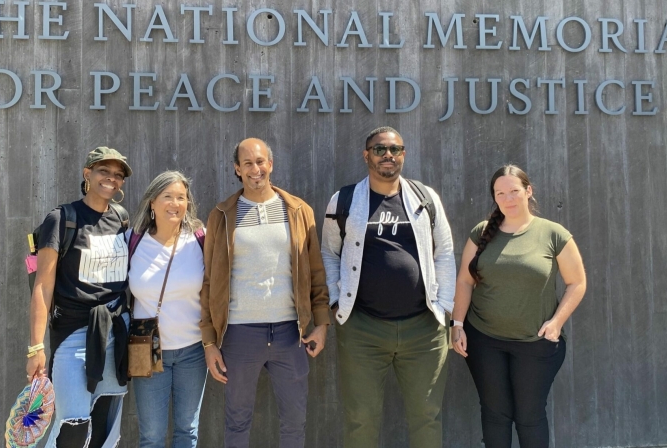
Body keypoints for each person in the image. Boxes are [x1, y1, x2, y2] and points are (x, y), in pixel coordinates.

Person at [321, 126, 457, 448]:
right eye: (379, 149)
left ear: (403, 155)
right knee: (361, 419)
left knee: (427, 415)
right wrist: (337, 301)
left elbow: (446, 251)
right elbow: (329, 251)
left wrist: (445, 308)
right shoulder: (345, 199)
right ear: (366, 155)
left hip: (423, 330)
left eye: (395, 150)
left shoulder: (425, 198)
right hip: (362, 329)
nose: (388, 156)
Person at [199, 137, 331, 448]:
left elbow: (315, 272)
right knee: (237, 421)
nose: (255, 169)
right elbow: (209, 282)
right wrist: (209, 341)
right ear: (237, 169)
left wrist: (322, 324)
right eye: (247, 163)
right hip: (239, 334)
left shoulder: (298, 211)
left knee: (294, 422)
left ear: (270, 164)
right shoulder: (221, 215)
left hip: (290, 333)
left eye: (260, 162)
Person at [450, 164, 587, 448]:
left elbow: (577, 282)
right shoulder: (481, 232)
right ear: (494, 197)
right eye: (500, 193)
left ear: (528, 191)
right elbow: (464, 281)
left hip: (535, 343)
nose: (508, 199)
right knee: (495, 414)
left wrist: (557, 322)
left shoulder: (553, 233)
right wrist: (458, 325)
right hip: (484, 341)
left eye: (514, 191)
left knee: (529, 416)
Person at [26, 146, 133, 448]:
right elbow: (42, 287)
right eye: (104, 171)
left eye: (118, 174)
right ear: (87, 173)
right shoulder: (61, 219)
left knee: (104, 429)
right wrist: (36, 348)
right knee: (73, 426)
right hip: (73, 336)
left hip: (115, 337)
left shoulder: (121, 219)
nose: (112, 178)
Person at [127, 171, 207, 448]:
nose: (175, 203)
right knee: (151, 436)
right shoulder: (132, 241)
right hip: (147, 350)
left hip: (193, 350)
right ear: (152, 202)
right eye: (167, 196)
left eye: (181, 197)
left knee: (187, 431)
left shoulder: (200, 239)